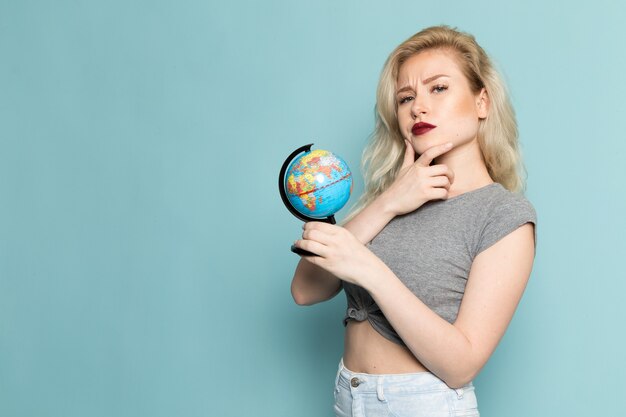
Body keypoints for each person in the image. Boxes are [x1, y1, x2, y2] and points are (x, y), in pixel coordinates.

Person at [291, 25, 536, 417]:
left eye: (438, 88)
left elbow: (462, 365)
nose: (418, 107)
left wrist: (368, 268)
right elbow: (306, 289)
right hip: (347, 398)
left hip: (422, 405)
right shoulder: (389, 198)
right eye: (406, 97)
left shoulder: (503, 215)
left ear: (482, 102)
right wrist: (390, 201)